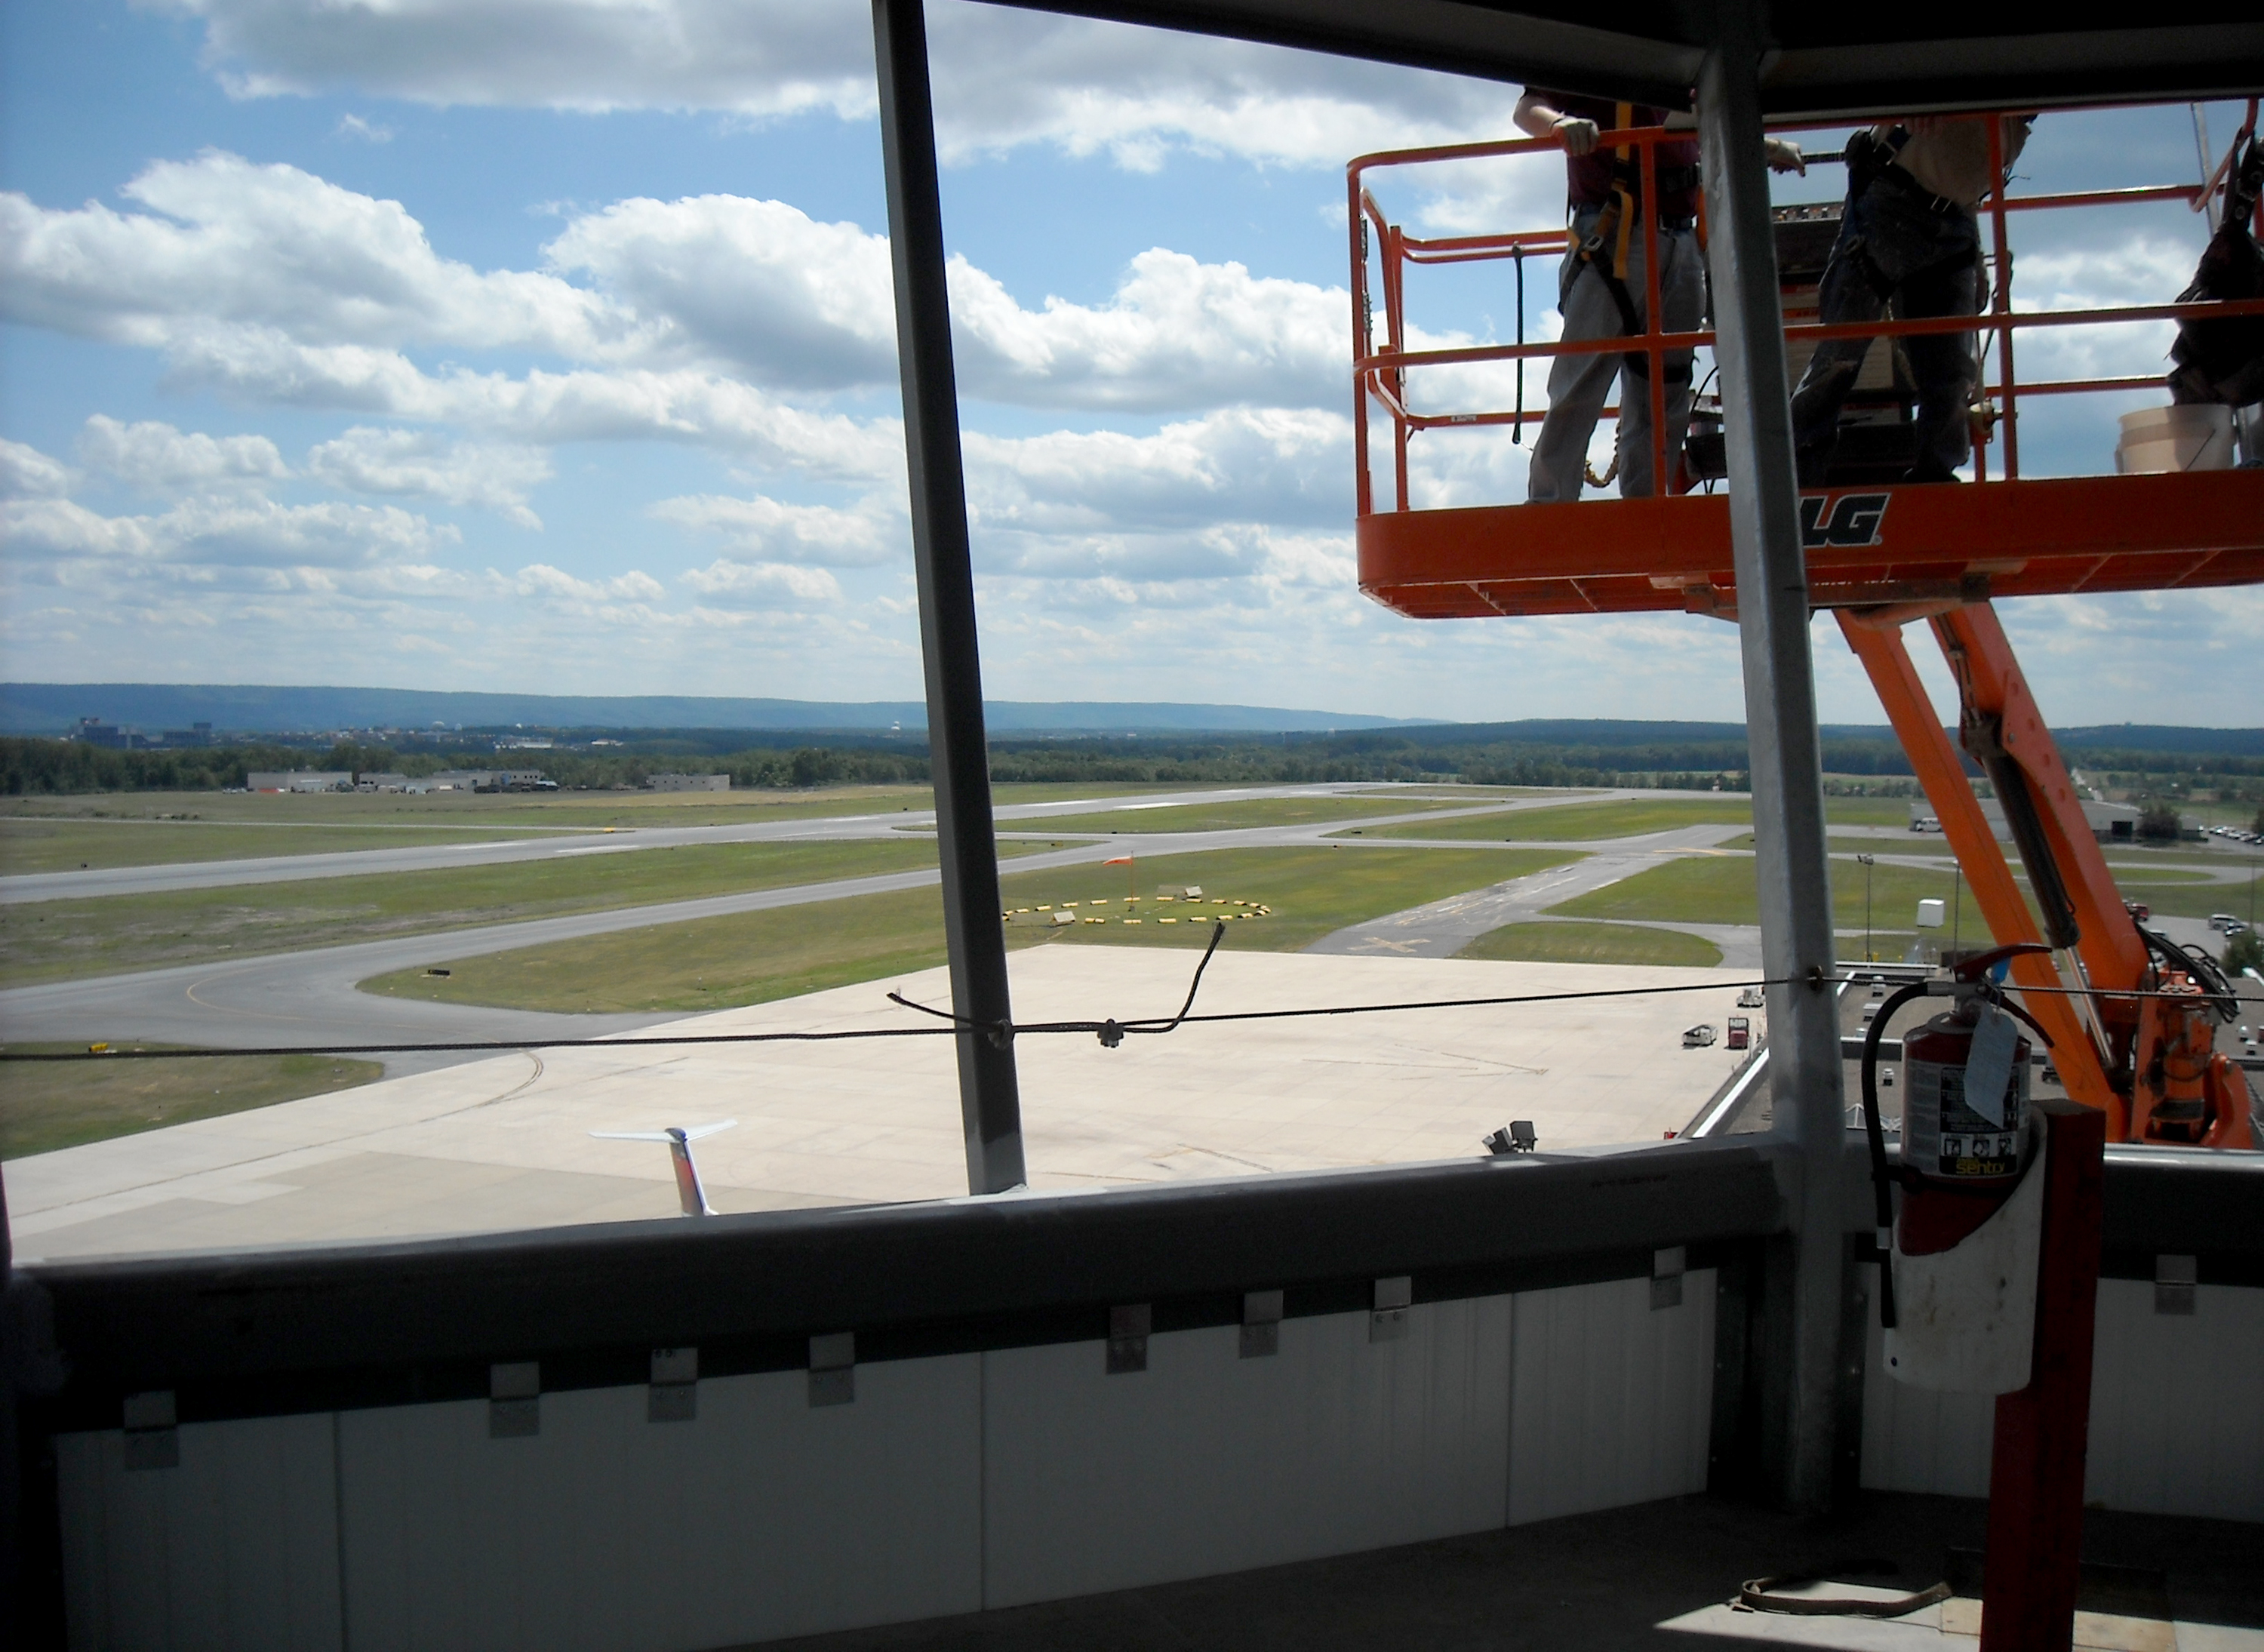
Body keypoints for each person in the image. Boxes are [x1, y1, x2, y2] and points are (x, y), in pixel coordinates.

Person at [1515, 89, 1804, 501]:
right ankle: (1550, 513)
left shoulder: (1677, 62)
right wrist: (1558, 124)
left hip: (1680, 241)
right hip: (1613, 235)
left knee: (1664, 393)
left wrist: (1768, 147)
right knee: (1579, 386)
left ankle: (1647, 512)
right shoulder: (1588, 45)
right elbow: (1528, 108)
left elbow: (1702, 124)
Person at [1791, 114, 2034, 485]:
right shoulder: (1965, 63)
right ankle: (1795, 472)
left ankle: (1935, 475)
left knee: (1951, 370)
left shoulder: (2009, 121)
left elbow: (1965, 186)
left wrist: (1978, 260)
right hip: (1892, 203)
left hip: (1952, 223)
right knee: (1840, 354)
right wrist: (1915, 98)